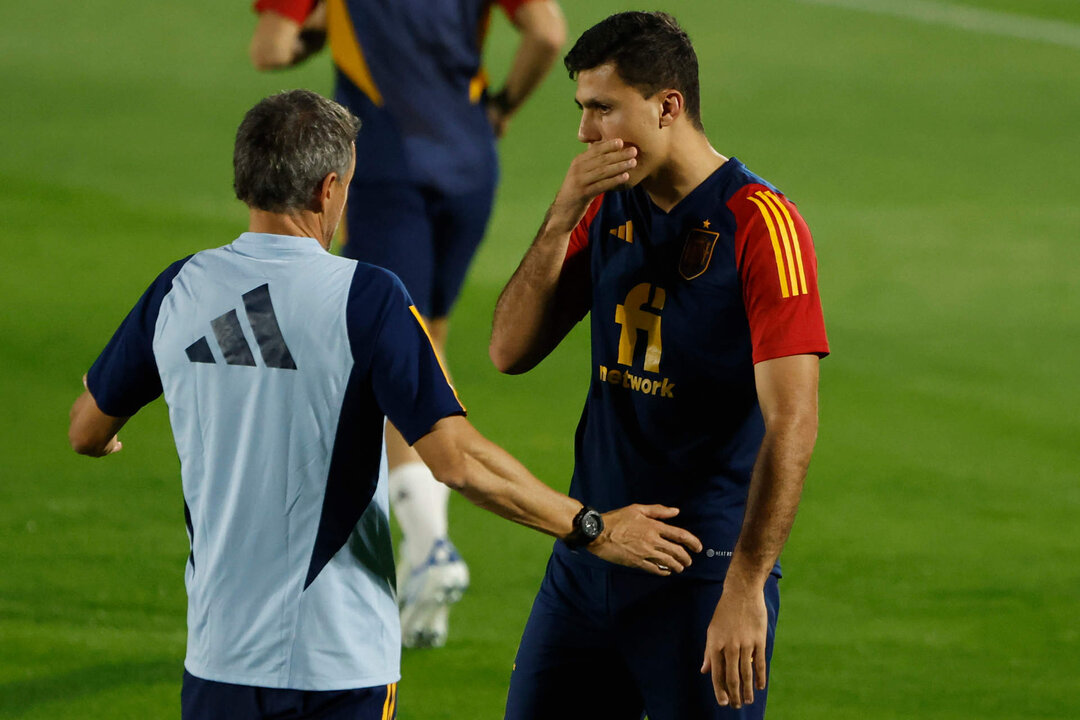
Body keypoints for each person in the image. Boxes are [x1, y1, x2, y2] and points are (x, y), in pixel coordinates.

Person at [67, 89, 702, 720]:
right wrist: (591, 527)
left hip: (218, 660)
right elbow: (457, 461)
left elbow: (86, 427)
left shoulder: (178, 290)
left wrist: (107, 440)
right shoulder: (364, 298)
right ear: (328, 189)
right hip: (337, 663)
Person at [489, 12, 830, 719]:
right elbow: (508, 351)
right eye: (582, 109)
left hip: (699, 579)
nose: (585, 132)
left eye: (601, 108)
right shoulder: (606, 205)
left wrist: (745, 586)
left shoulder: (761, 225)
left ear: (667, 106)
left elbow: (792, 420)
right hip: (589, 562)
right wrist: (560, 217)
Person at [248, 0, 567, 647]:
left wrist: (321, 29)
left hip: (387, 162)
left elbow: (271, 50)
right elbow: (548, 33)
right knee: (429, 335)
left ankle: (428, 546)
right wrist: (502, 105)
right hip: (470, 158)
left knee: (388, 350)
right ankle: (424, 572)